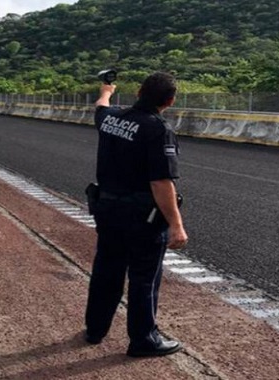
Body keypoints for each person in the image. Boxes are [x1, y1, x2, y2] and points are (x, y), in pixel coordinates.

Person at [84, 72, 188, 357]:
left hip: (107, 210)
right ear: (170, 100)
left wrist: (107, 90)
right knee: (144, 277)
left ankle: (95, 329)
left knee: (106, 271)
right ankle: (143, 340)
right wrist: (176, 225)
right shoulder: (157, 129)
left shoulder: (111, 118)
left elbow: (101, 106)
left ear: (139, 91)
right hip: (141, 217)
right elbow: (161, 182)